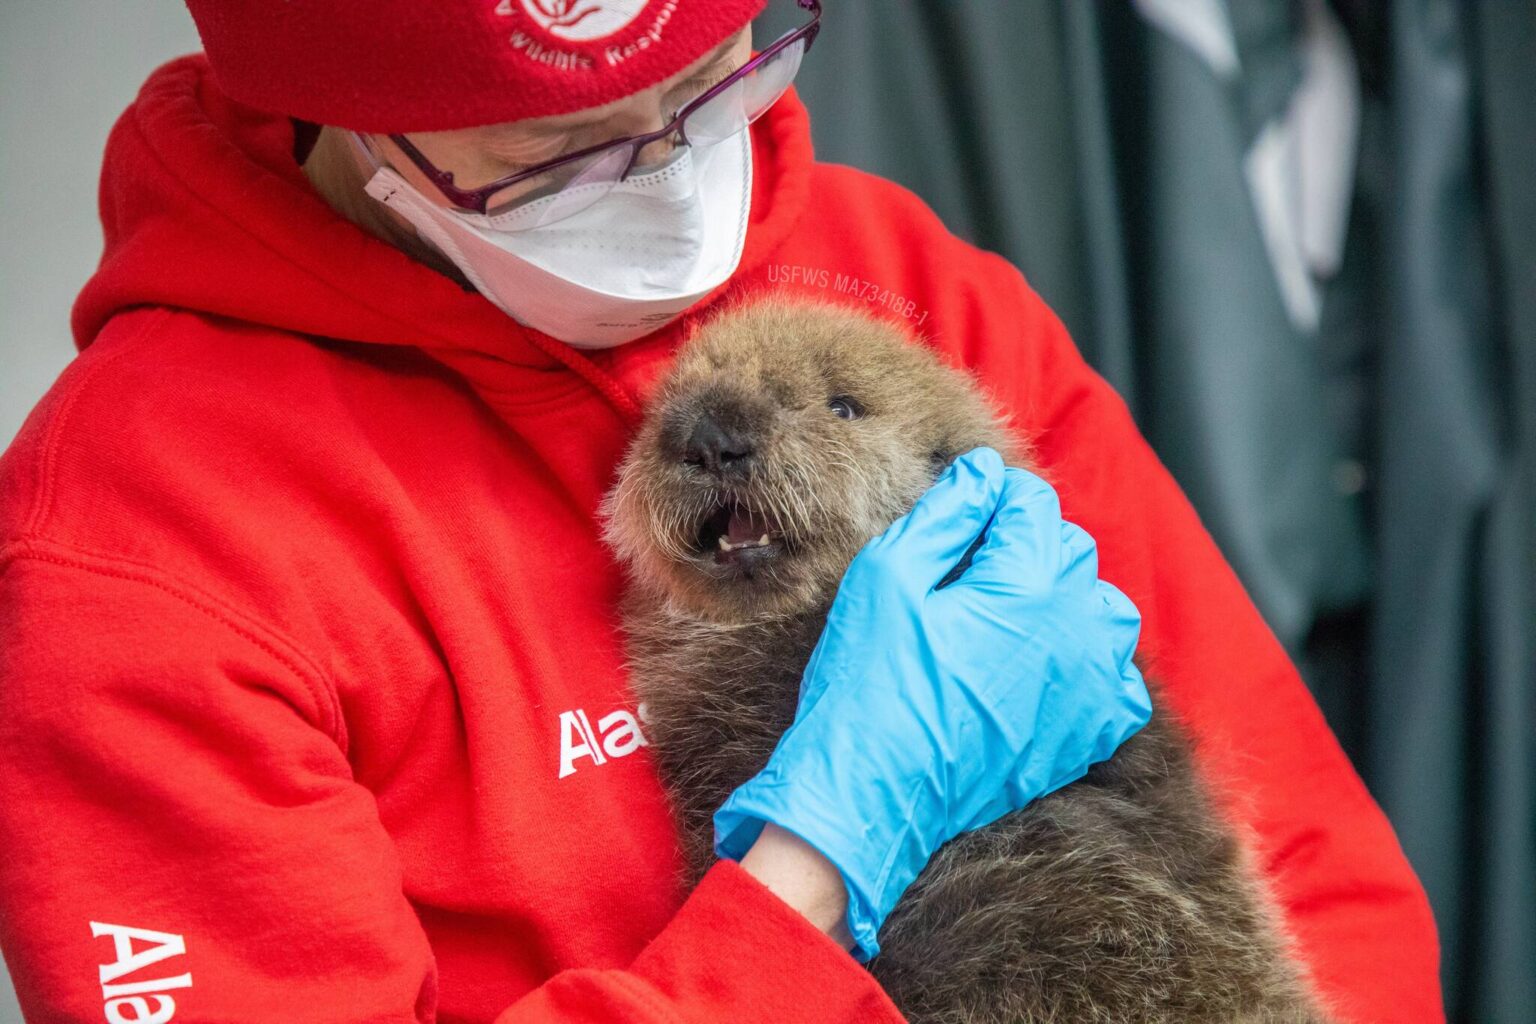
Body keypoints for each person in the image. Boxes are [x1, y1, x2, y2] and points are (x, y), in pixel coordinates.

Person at [0, 1, 1440, 1022]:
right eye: (557, 155)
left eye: (718, 86)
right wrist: (810, 878)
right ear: (345, 111)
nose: (679, 190)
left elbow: (1308, 859)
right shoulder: (138, 544)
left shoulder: (899, 287)